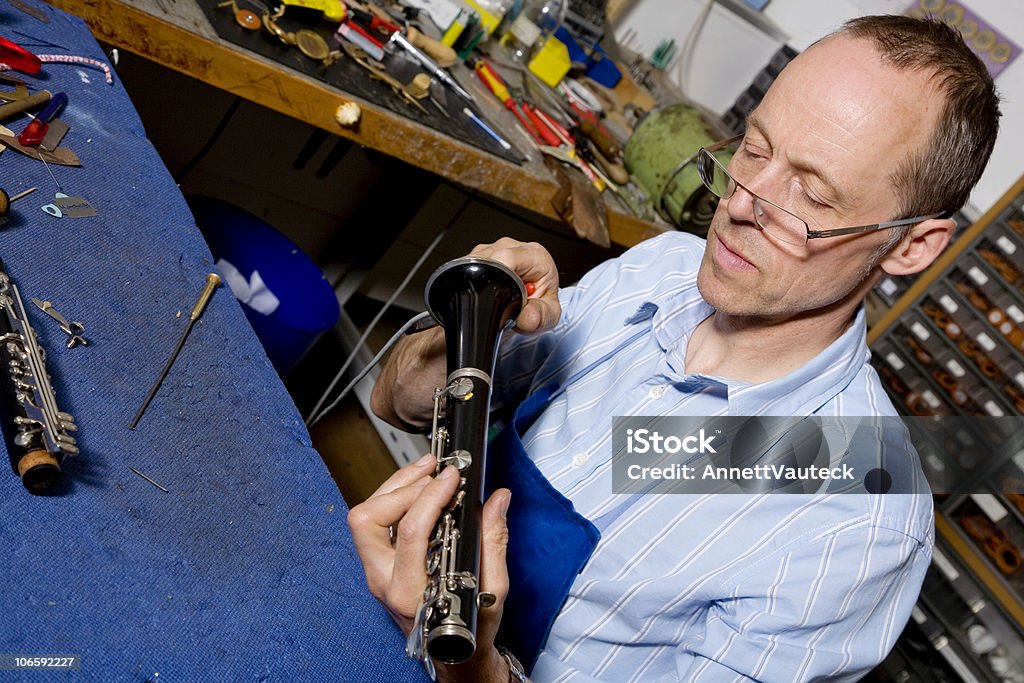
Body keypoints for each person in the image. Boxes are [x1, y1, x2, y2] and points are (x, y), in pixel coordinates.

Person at [348, 14, 1001, 682]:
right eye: (753, 149)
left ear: (912, 244)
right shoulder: (660, 270)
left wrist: (468, 659)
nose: (742, 205)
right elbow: (394, 400)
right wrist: (480, 315)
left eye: (811, 195)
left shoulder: (857, 520)